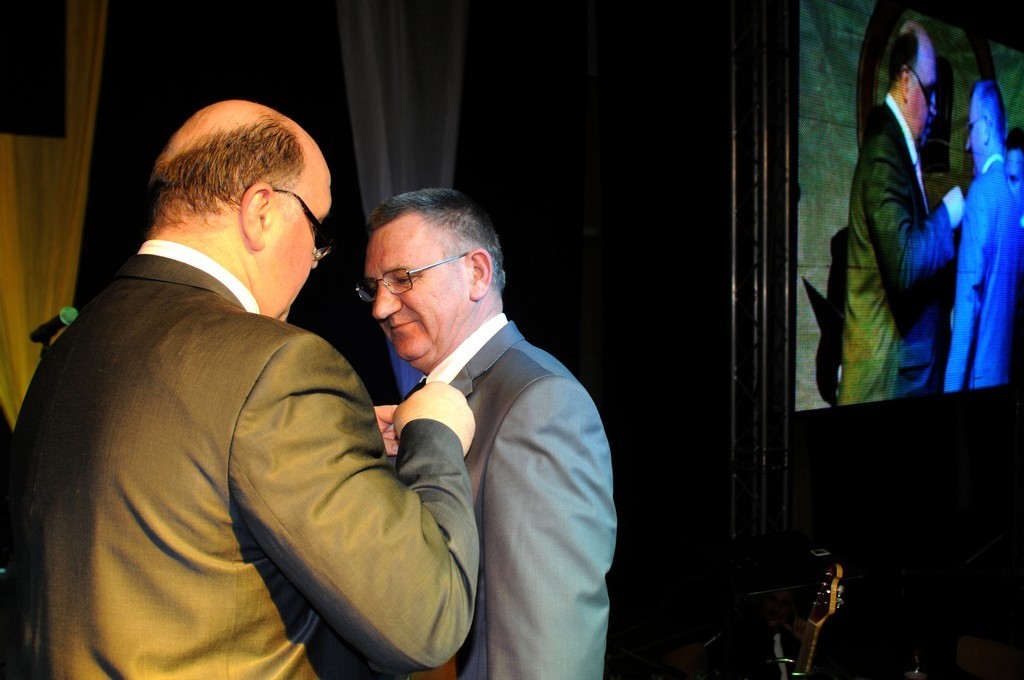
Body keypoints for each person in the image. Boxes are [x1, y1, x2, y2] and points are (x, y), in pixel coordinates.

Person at [8, 100, 481, 679]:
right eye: (316, 231)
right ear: (259, 211)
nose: (313, 262)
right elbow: (427, 620)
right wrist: (433, 434)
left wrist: (344, 451)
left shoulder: (68, 347)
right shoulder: (276, 365)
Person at [357, 188, 617, 679]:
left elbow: (546, 648)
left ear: (476, 272)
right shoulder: (426, 401)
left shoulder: (540, 403)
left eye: (402, 279)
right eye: (374, 287)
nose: (381, 308)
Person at [839, 20, 965, 405]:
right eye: (931, 92)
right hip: (889, 383)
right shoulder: (884, 150)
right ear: (906, 81)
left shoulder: (895, 147)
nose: (936, 108)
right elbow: (906, 265)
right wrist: (947, 215)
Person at [944, 81, 1024, 391]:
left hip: (976, 382)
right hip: (1003, 375)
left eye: (971, 127)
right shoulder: (1014, 201)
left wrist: (950, 390)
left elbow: (967, 306)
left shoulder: (979, 193)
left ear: (987, 128)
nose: (967, 144)